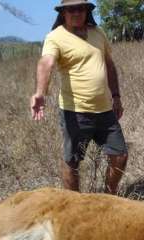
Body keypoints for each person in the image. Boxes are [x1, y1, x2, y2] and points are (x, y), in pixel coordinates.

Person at [30, 0, 128, 194]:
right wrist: (40, 92)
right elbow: (46, 63)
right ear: (63, 12)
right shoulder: (55, 37)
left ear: (87, 11)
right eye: (71, 9)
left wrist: (116, 96)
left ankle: (109, 196)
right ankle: (73, 202)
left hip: (105, 110)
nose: (76, 12)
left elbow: (109, 65)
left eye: (80, 8)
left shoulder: (97, 33)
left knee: (120, 155)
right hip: (75, 112)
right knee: (72, 161)